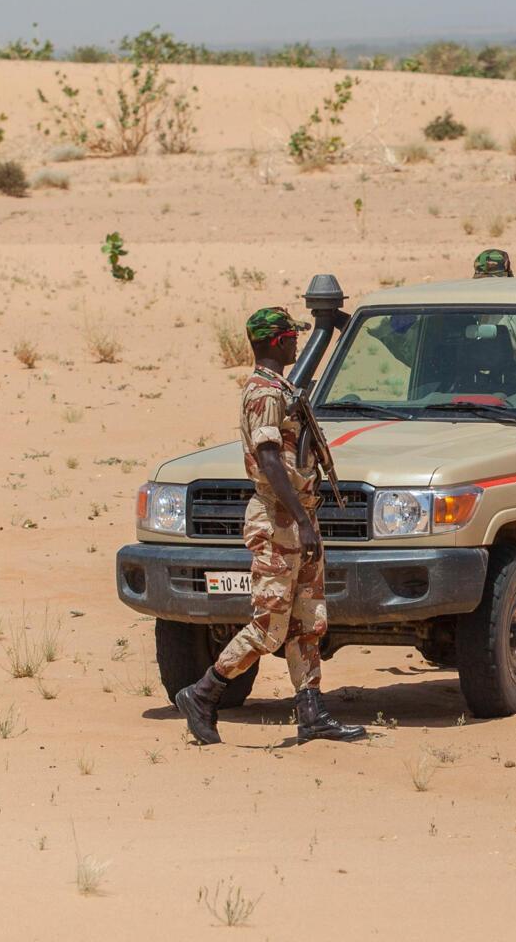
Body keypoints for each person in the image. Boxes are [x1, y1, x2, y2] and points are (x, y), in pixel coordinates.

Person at [174, 308, 368, 745]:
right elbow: (267, 460)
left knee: (307, 621)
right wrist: (300, 520)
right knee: (270, 626)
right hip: (279, 520)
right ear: (278, 342)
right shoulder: (264, 394)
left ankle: (311, 712)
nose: (297, 343)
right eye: (291, 338)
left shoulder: (280, 388)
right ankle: (204, 692)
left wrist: (307, 519)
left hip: (298, 515)